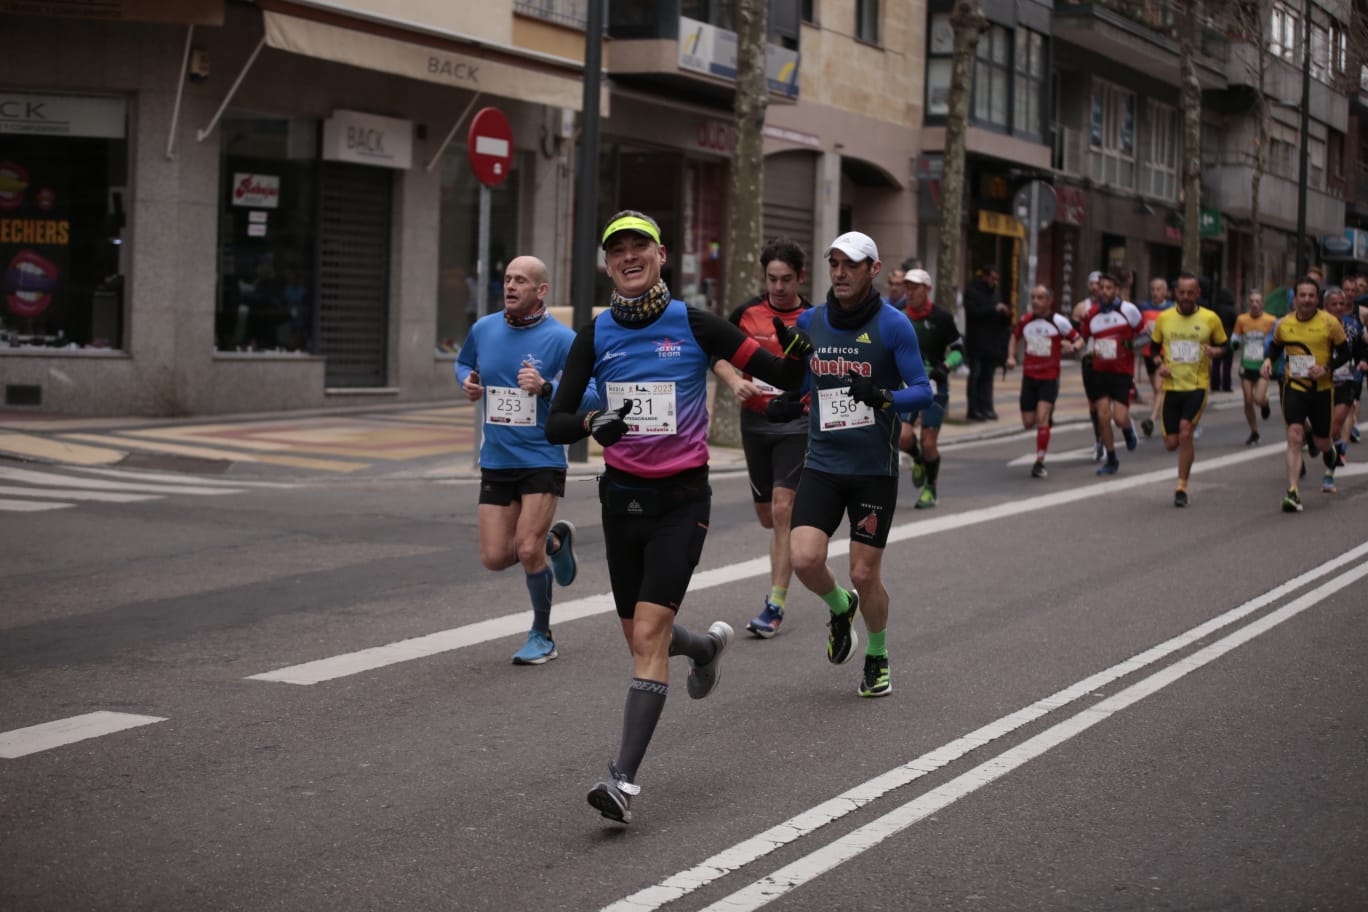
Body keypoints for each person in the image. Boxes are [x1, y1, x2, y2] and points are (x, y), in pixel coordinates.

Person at [545, 211, 811, 825]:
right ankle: (706, 648)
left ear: (661, 254)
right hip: (622, 502)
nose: (629, 256)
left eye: (640, 245)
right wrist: (591, 423)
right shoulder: (596, 332)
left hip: (682, 501)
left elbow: (783, 374)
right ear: (606, 263)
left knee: (646, 638)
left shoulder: (694, 323)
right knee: (642, 638)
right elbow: (556, 420)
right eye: (618, 249)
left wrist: (797, 345)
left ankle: (622, 783)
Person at [784, 231, 933, 699]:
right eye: (835, 264)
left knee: (865, 574)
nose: (841, 273)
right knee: (804, 559)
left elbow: (924, 390)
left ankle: (877, 653)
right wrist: (785, 403)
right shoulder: (810, 321)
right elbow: (795, 379)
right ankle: (839, 604)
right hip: (823, 463)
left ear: (873, 269)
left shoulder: (894, 326)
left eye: (851, 264)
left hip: (873, 469)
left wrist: (884, 396)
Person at [455, 256, 592, 664]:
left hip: (542, 456)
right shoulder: (483, 329)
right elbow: (464, 362)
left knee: (527, 547)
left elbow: (596, 393)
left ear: (541, 291)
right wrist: (465, 380)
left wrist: (548, 386)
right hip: (497, 456)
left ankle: (542, 634)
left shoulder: (563, 339)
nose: (510, 286)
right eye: (507, 279)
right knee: (496, 557)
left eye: (520, 281)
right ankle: (556, 542)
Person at [711, 237, 813, 638]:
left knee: (784, 509)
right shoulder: (746, 313)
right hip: (755, 424)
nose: (779, 287)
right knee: (768, 516)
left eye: (786, 279)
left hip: (797, 423)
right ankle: (793, 539)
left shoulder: (814, 317)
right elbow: (715, 354)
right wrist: (733, 379)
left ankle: (775, 605)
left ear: (799, 277)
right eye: (772, 279)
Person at [1260, 276, 1351, 512]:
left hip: (1321, 390)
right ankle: (1293, 491)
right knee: (1294, 435)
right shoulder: (1284, 324)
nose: (1307, 300)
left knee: (1321, 442)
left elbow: (1345, 353)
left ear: (1317, 298)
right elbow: (1275, 346)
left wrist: (1326, 368)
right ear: (1295, 298)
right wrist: (1268, 360)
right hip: (1294, 387)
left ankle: (1329, 450)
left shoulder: (1330, 323)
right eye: (1303, 295)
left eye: (1311, 296)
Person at [1150, 273, 1228, 507]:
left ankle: (1181, 487)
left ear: (1197, 294)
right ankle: (1186, 446)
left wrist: (1217, 352)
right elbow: (1153, 349)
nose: (1185, 297)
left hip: (1197, 386)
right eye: (1181, 292)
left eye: (1190, 293)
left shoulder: (1210, 318)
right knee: (1170, 443)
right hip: (1172, 387)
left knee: (1186, 431)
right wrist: (1159, 365)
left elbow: (1225, 346)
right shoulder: (1164, 318)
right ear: (1175, 293)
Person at [897, 267, 963, 508]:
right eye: (908, 287)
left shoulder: (942, 318)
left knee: (928, 442)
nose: (910, 292)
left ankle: (930, 488)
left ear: (927, 289)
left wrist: (946, 366)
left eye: (915, 287)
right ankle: (917, 460)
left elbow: (959, 350)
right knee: (903, 437)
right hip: (908, 384)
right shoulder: (899, 315)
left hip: (935, 384)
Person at [1004, 285, 1081, 478]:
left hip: (1049, 377)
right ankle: (1047, 417)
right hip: (1029, 378)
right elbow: (1014, 336)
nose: (1035, 301)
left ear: (1049, 301)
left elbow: (1080, 339)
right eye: (1033, 297)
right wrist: (1011, 356)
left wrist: (1071, 346)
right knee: (1028, 422)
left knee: (1041, 418)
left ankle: (1039, 461)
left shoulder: (1059, 322)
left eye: (1040, 298)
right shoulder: (1026, 320)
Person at [1079, 272, 1143, 474]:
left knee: (1119, 417)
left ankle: (1127, 428)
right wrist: (1073, 345)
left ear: (1116, 289)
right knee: (1102, 416)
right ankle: (1111, 459)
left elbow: (1145, 335)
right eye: (1101, 287)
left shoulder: (1128, 310)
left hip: (1122, 372)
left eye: (1108, 287)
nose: (1104, 291)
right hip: (1099, 371)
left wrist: (1131, 345)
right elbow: (1083, 337)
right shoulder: (1092, 314)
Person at [1322, 287, 1368, 492]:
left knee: (1335, 426)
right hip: (1319, 383)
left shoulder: (1352, 326)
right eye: (1334, 304)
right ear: (1325, 306)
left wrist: (1363, 361)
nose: (1339, 307)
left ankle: (1329, 474)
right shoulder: (1316, 325)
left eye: (1341, 304)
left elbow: (1361, 348)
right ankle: (1331, 448)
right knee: (1319, 431)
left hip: (1345, 381)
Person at [964, 264, 1009, 421]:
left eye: (997, 279)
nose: (995, 282)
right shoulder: (972, 292)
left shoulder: (995, 293)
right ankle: (973, 409)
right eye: (992, 278)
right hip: (977, 343)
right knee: (976, 375)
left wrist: (1004, 313)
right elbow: (973, 313)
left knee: (988, 377)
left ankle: (987, 407)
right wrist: (993, 309)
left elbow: (1001, 320)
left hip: (992, 344)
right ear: (984, 276)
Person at [1231, 290, 1277, 446]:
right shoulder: (1242, 319)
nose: (1255, 304)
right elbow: (1234, 337)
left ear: (1263, 304)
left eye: (1258, 301)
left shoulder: (1271, 320)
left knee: (1258, 399)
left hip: (1262, 365)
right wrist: (1233, 344)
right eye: (1252, 301)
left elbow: (1277, 339)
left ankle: (1265, 403)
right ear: (1248, 303)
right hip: (1247, 365)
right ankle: (1254, 432)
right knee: (1248, 401)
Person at [1072, 270, 1106, 458]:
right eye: (1092, 283)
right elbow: (1074, 334)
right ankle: (1099, 440)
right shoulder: (1080, 308)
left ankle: (1121, 426)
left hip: (1111, 359)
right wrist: (1072, 345)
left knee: (1107, 404)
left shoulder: (1118, 308)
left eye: (1099, 283)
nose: (1095, 287)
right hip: (1090, 359)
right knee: (1094, 405)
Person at [1136, 277, 1173, 437]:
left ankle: (1151, 420)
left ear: (1166, 292)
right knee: (1157, 390)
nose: (1155, 292)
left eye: (1159, 289)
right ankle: (1168, 413)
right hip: (1148, 354)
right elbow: (1137, 327)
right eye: (1153, 289)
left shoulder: (1173, 309)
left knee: (1159, 388)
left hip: (1165, 354)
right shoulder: (1143, 308)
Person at [1209, 283, 1238, 393]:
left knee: (1216, 362)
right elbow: (1236, 323)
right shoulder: (1232, 310)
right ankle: (1226, 385)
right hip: (1228, 337)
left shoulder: (1215, 308)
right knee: (1227, 364)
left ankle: (1215, 384)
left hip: (1216, 337)